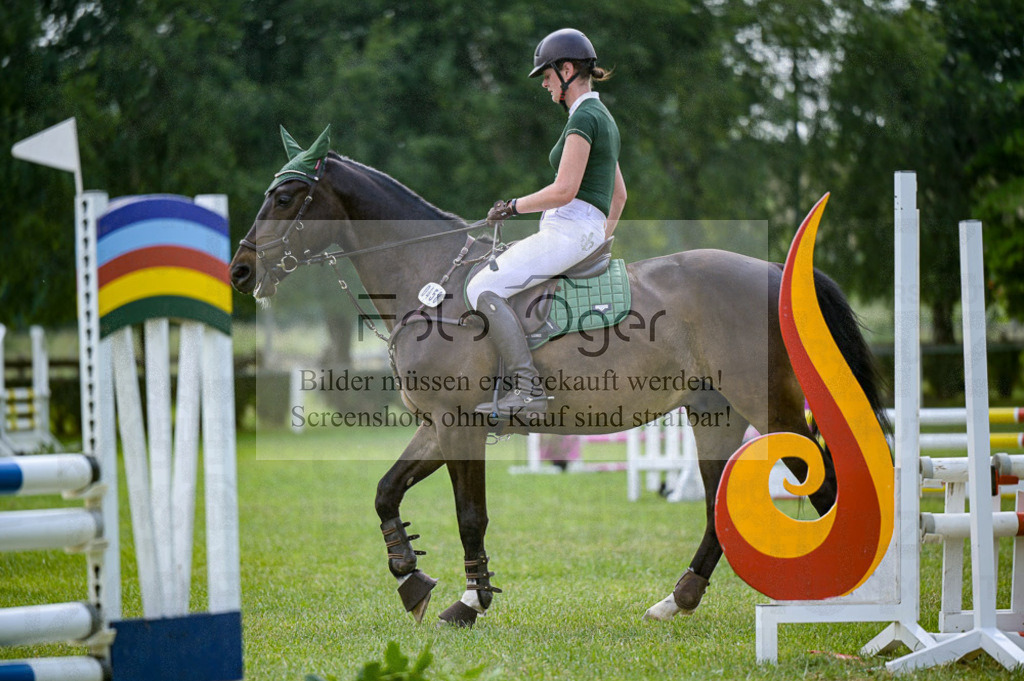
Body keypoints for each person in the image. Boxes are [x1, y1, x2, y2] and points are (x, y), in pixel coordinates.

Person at [467, 28, 628, 419]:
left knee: (480, 287)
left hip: (569, 230)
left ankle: (527, 390)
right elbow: (619, 196)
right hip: (580, 232)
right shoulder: (602, 117)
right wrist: (597, 240)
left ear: (567, 70)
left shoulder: (584, 117)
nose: (544, 83)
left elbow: (564, 190)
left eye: (547, 74)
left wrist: (512, 206)